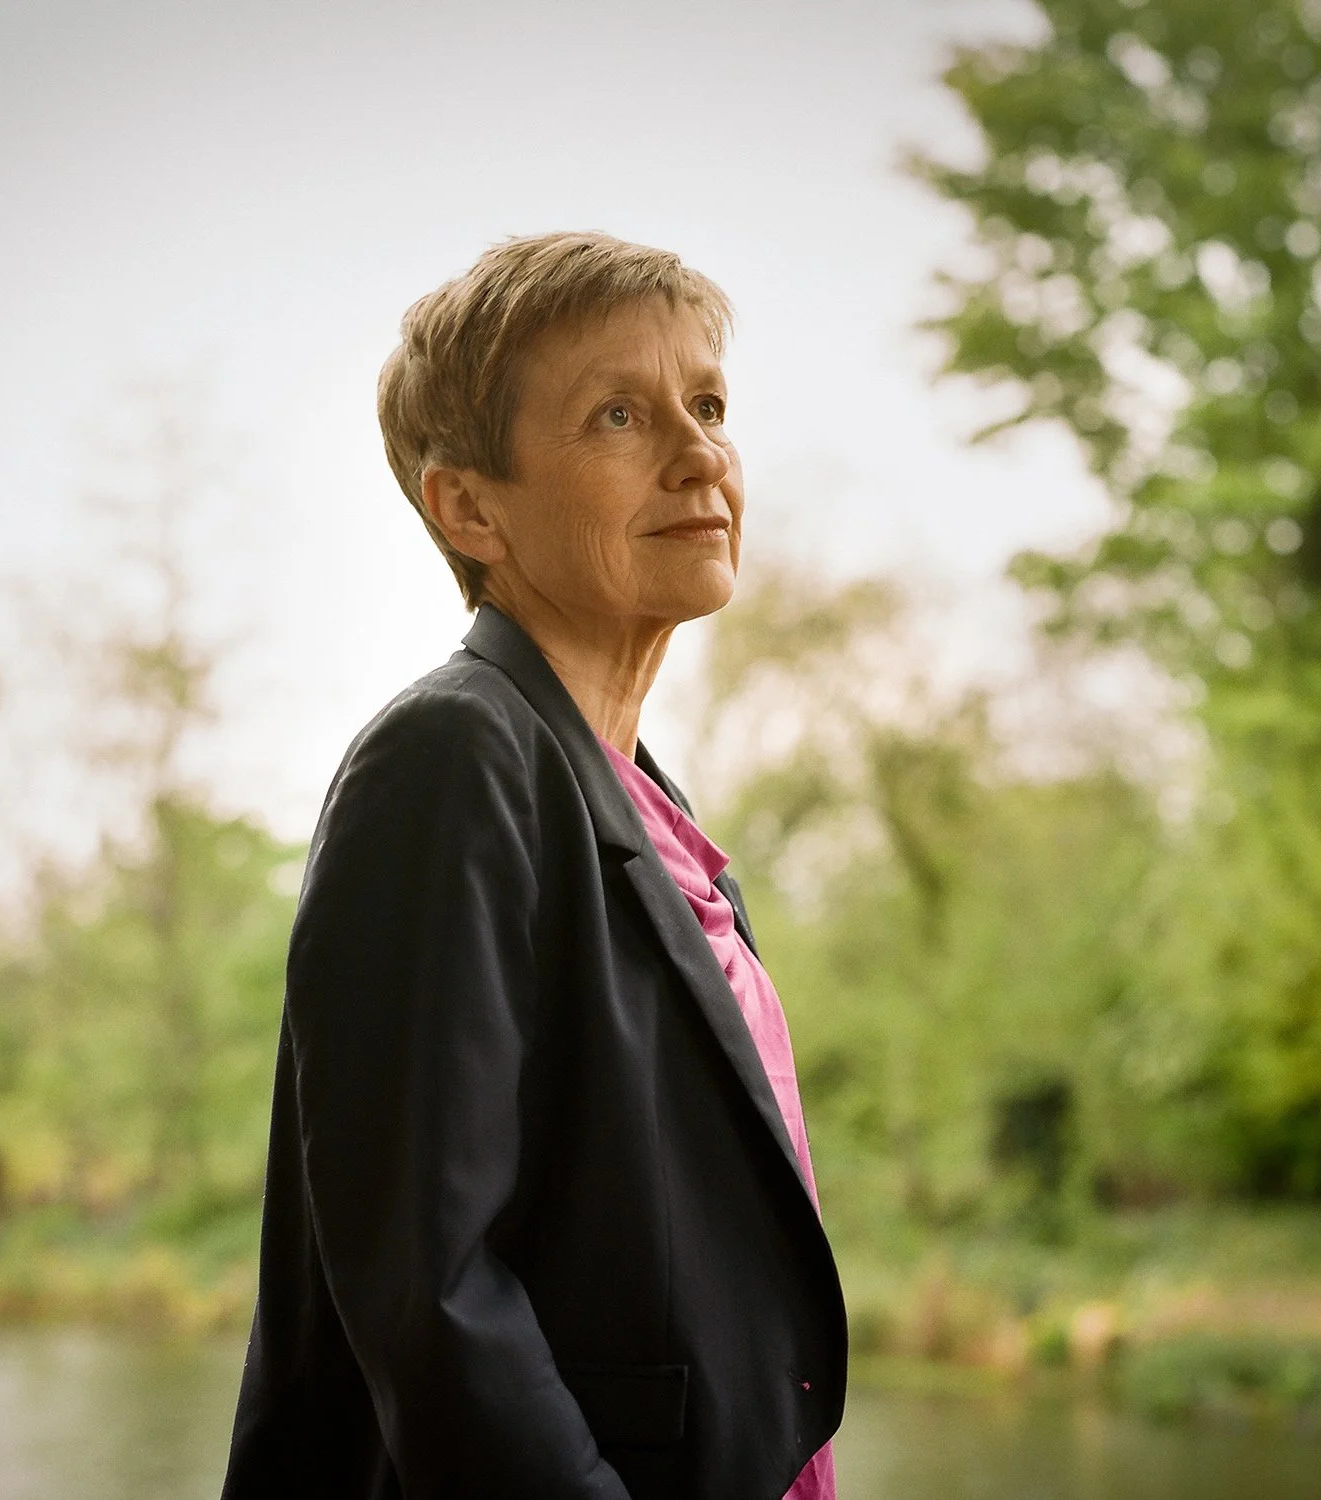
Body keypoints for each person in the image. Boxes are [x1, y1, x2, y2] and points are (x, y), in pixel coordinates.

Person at [219, 232, 845, 1499]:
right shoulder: (451, 759)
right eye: (620, 413)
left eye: (709, 405)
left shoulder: (646, 804)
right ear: (471, 506)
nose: (700, 453)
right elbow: (432, 1288)